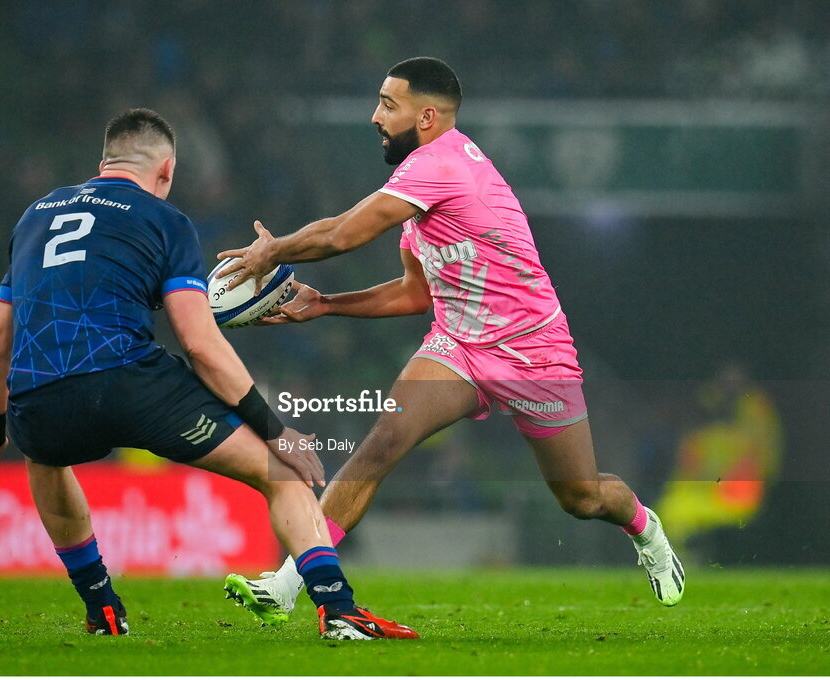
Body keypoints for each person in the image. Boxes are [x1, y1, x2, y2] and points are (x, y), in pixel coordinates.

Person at [218, 58, 684, 626]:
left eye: (389, 105)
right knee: (382, 443)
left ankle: (646, 528)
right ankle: (291, 585)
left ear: (429, 116)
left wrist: (273, 251)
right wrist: (328, 305)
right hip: (458, 345)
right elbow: (417, 294)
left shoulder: (440, 165)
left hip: (531, 349)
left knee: (581, 496)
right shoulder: (417, 186)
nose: (375, 116)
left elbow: (343, 233)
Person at [0, 108, 417, 640]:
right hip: (133, 384)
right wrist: (277, 432)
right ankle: (338, 610)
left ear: (104, 162)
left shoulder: (34, 218)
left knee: (45, 459)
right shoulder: (165, 220)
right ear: (166, 171)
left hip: (39, 397)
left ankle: (103, 609)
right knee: (283, 476)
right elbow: (200, 345)